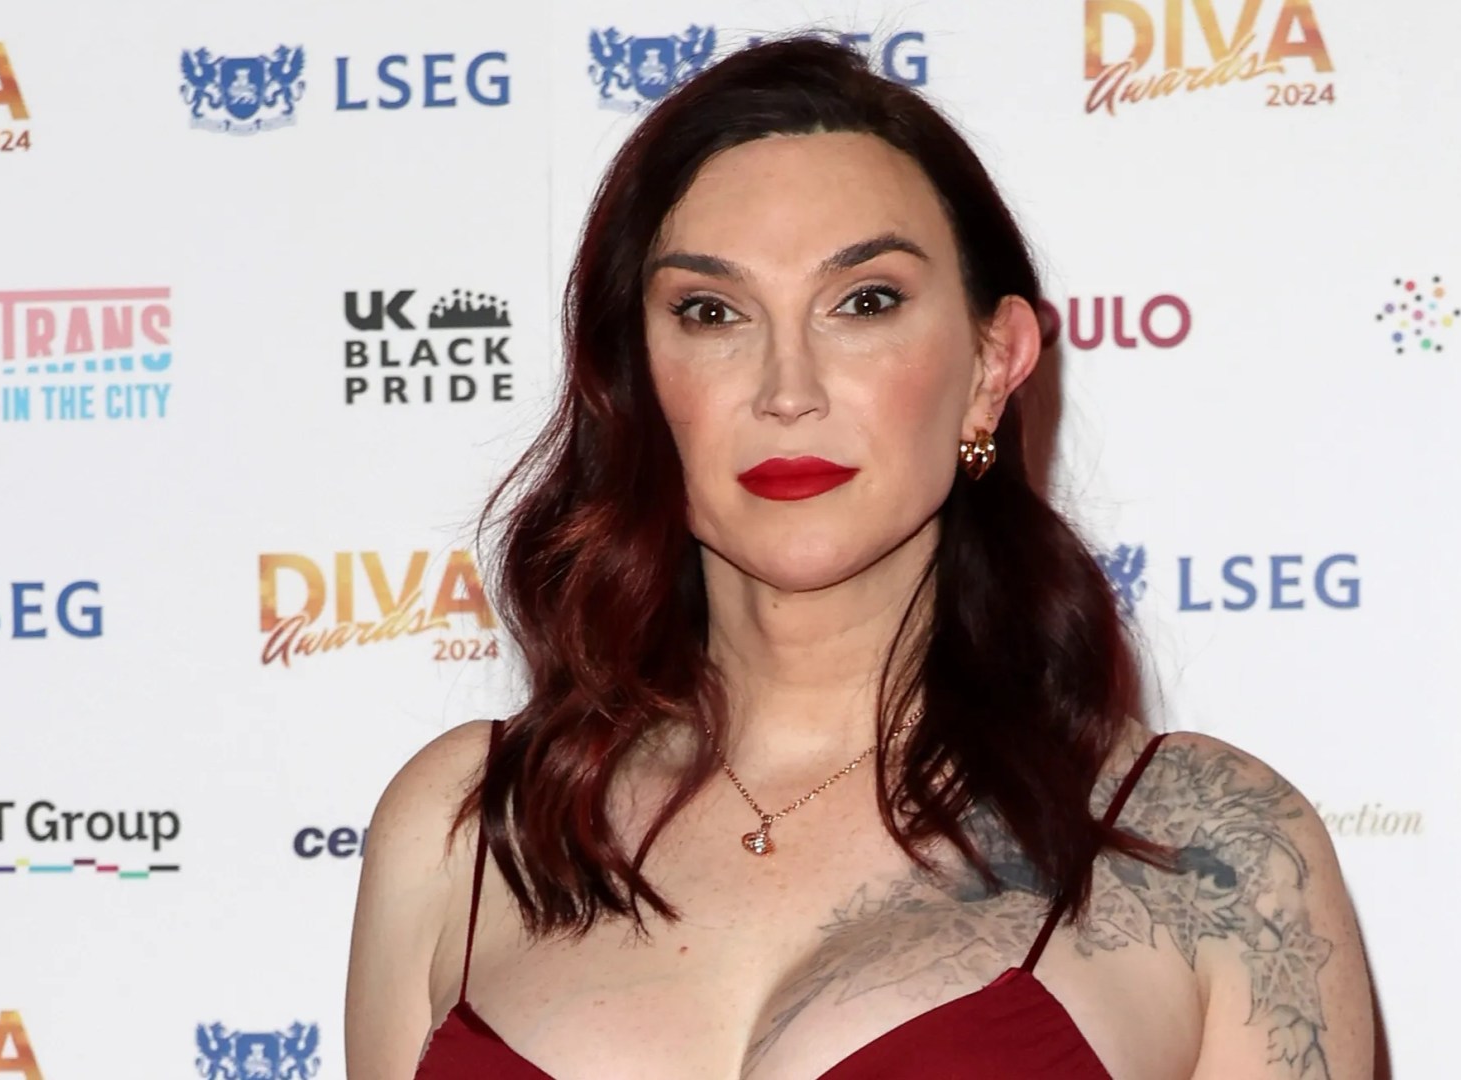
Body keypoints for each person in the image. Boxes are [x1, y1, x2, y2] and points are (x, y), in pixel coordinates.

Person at [345, 36, 1372, 1080]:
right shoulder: (464, 827)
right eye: (711, 312)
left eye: (864, 302)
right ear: (634, 376)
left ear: (992, 364)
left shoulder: (1208, 844)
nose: (787, 389)